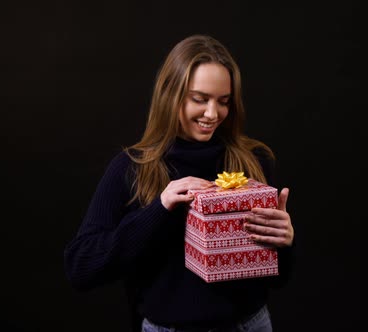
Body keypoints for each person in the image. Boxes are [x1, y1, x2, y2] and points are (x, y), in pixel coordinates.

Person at [64, 34, 295, 332]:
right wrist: (159, 208)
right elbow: (81, 268)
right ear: (170, 95)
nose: (212, 114)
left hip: (250, 324)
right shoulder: (132, 167)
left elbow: (278, 280)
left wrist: (284, 241)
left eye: (223, 102)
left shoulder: (254, 160)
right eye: (199, 99)